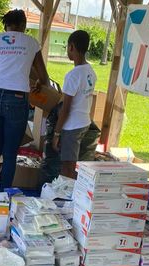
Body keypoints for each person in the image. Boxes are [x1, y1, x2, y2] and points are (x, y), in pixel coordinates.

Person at [0, 9, 49, 192]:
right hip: (18, 100)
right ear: (24, 26)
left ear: (5, 25)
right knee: (10, 154)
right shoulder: (31, 43)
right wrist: (39, 83)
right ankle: (4, 198)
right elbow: (43, 76)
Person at [51, 30, 97, 179]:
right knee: (75, 166)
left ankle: (68, 196)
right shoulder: (91, 71)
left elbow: (66, 108)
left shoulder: (73, 75)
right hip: (84, 122)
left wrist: (56, 134)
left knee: (68, 167)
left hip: (72, 127)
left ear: (71, 47)